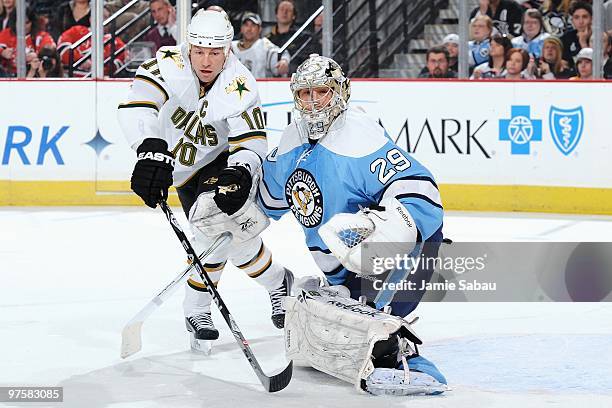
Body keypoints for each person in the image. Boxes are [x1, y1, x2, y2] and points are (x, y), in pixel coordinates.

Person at [257, 53, 447, 395]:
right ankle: (353, 303)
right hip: (339, 269)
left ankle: (403, 350)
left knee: (377, 337)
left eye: (322, 92)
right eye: (305, 94)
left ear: (340, 93)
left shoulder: (358, 135)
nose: (313, 103)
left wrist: (389, 227)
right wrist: (229, 207)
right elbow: (266, 200)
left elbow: (423, 193)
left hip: (387, 260)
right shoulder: (291, 140)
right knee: (319, 323)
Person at [117, 10, 293, 351]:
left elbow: (251, 139)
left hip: (218, 162)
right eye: (199, 51)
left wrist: (240, 170)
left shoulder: (239, 82)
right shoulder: (166, 66)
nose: (206, 60)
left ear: (228, 49)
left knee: (210, 226)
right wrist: (149, 149)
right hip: (180, 169)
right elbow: (138, 105)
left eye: (215, 52)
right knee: (233, 240)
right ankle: (278, 281)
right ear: (189, 46)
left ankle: (196, 308)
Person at [231, 12, 290, 78]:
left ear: (260, 29)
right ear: (241, 29)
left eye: (253, 25)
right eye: (246, 25)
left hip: (259, 87)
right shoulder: (231, 47)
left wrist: (284, 61)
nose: (249, 29)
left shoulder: (264, 45)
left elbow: (283, 53)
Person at [0, 6, 55, 76]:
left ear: (32, 22)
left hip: (34, 76)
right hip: (8, 75)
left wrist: (37, 55)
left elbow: (52, 53)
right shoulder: (6, 34)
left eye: (26, 22)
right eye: (19, 22)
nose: (23, 26)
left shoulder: (42, 36)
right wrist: (2, 52)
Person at [265, 0, 311, 74]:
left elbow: (307, 61)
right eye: (282, 9)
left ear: (294, 16)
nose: (284, 12)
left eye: (288, 10)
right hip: (269, 80)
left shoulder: (302, 37)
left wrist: (289, 68)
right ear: (276, 14)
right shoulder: (268, 39)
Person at [560, 1, 592, 70]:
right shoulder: (566, 38)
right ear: (572, 20)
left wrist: (583, 42)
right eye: (576, 17)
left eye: (585, 17)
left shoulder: (600, 38)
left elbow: (595, 66)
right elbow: (565, 64)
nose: (581, 22)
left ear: (591, 19)